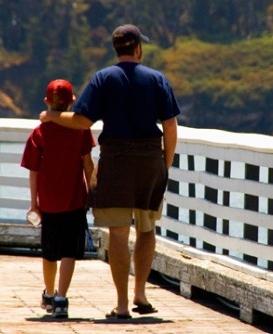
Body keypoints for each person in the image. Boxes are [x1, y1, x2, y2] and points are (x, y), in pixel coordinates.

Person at [40, 24, 181, 319]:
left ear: (117, 49)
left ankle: (121, 305)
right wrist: (165, 163)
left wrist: (51, 116)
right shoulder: (157, 79)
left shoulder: (104, 78)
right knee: (146, 228)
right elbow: (170, 125)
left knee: (118, 232)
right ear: (138, 48)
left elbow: (81, 121)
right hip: (149, 158)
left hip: (115, 159)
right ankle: (141, 294)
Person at [21, 79, 96, 319]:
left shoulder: (39, 133)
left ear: (46, 102)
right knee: (69, 251)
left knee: (49, 252)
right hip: (75, 200)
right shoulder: (81, 131)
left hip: (49, 202)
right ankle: (62, 298)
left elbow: (33, 171)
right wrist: (92, 192)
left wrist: (34, 203)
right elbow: (87, 163)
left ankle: (49, 293)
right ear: (73, 101)